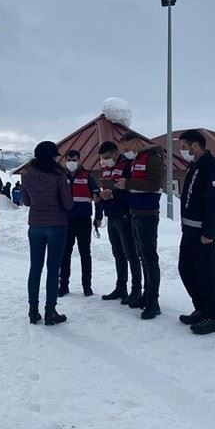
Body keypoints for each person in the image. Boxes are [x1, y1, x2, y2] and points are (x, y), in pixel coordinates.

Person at [176, 129, 215, 335]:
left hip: (202, 233)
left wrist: (210, 231)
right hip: (188, 230)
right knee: (186, 270)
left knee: (206, 275)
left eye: (184, 146)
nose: (182, 151)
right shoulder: (194, 166)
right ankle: (201, 308)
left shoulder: (212, 167)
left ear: (195, 146)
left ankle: (214, 317)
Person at [22, 141, 73, 325]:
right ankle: (50, 311)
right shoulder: (59, 175)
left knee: (35, 268)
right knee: (53, 269)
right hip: (57, 225)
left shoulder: (27, 176)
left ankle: (32, 310)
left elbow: (26, 202)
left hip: (35, 225)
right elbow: (68, 204)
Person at [114, 130, 164, 319]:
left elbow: (154, 184)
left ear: (135, 143)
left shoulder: (153, 157)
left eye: (127, 148)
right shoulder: (137, 159)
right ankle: (146, 294)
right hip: (135, 212)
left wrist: (127, 183)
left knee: (150, 257)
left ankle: (154, 301)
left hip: (148, 214)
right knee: (142, 256)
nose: (125, 152)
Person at [98, 141, 142, 306]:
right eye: (103, 158)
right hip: (112, 215)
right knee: (118, 254)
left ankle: (136, 290)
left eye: (107, 157)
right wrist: (103, 196)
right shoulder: (108, 169)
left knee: (131, 254)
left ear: (116, 153)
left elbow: (130, 190)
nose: (105, 161)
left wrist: (114, 194)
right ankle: (120, 287)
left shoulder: (127, 165)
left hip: (125, 215)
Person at [58, 149, 103, 297]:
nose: (72, 162)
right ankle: (63, 285)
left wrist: (98, 217)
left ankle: (87, 286)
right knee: (65, 254)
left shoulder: (87, 176)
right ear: (65, 161)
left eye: (74, 159)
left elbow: (97, 198)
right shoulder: (61, 177)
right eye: (69, 160)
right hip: (66, 221)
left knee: (85, 254)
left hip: (83, 221)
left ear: (79, 160)